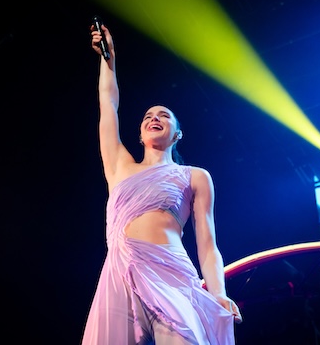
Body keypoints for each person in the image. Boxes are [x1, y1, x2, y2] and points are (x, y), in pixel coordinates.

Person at [81, 21, 242, 345]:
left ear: (178, 134)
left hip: (171, 275)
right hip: (120, 272)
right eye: (147, 116)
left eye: (164, 115)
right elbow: (107, 103)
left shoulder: (194, 176)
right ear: (140, 134)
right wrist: (107, 59)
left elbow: (208, 245)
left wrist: (220, 292)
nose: (154, 117)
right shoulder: (119, 165)